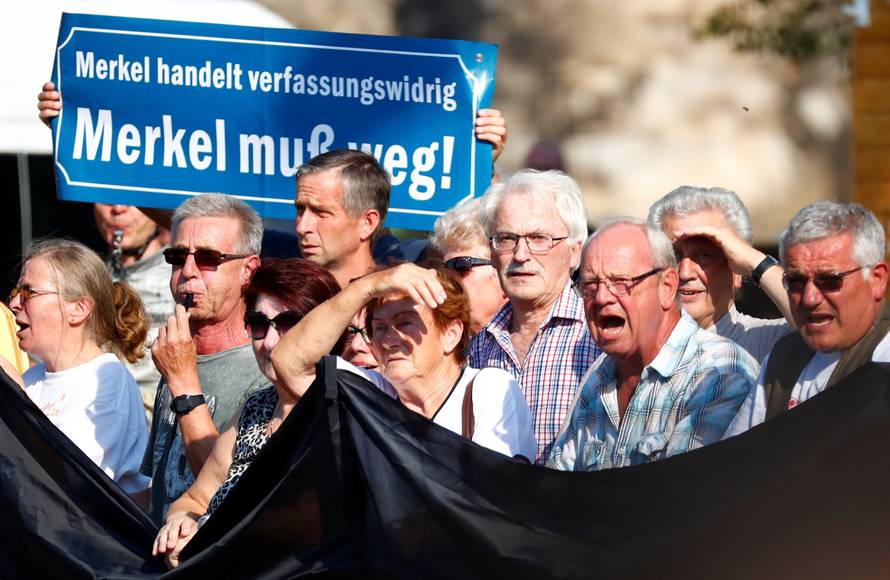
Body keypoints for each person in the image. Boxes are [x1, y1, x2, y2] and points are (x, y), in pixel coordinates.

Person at [152, 258, 343, 568]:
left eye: (287, 324)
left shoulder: (338, 413)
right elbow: (196, 498)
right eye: (258, 324)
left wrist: (206, 538)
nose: (268, 342)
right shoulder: (257, 407)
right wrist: (179, 524)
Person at [547, 219, 758, 471]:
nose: (602, 298)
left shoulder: (719, 372)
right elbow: (556, 489)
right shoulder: (599, 377)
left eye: (621, 283)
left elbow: (680, 499)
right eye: (590, 286)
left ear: (667, 287)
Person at [271, 262, 537, 460]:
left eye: (405, 322)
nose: (390, 339)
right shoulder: (375, 394)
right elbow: (288, 362)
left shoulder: (488, 389)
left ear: (451, 334)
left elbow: (493, 500)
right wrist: (368, 286)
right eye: (380, 327)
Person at [143, 193, 266, 523]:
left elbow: (224, 492)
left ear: (248, 270)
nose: (188, 271)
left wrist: (183, 384)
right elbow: (158, 488)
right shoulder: (175, 356)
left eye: (209, 258)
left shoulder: (265, 369)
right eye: (177, 256)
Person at [724, 201, 890, 437]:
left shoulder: (884, 355)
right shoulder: (782, 358)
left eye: (830, 280)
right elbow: (734, 460)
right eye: (796, 282)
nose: (810, 298)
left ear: (877, 279)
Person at [469, 169, 600, 464]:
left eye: (539, 238)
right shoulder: (479, 346)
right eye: (506, 238)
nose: (521, 254)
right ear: (491, 251)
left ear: (575, 253)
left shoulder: (599, 338)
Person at [9, 238, 150, 492]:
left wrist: (15, 397)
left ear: (79, 308)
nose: (14, 304)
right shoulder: (32, 378)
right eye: (15, 292)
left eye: (29, 292)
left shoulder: (106, 380)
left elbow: (60, 483)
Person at [648, 186, 793, 362]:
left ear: (737, 269)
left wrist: (754, 261)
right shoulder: (630, 349)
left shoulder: (768, 343)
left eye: (705, 255)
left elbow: (815, 316)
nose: (685, 273)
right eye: (672, 254)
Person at [92, 203, 176, 412]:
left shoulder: (182, 275)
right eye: (107, 198)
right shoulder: (89, 275)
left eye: (130, 199)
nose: (118, 208)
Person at [429, 196, 508, 334]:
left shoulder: (547, 340)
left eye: (460, 267)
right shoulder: (442, 346)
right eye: (444, 271)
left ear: (504, 272)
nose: (447, 283)